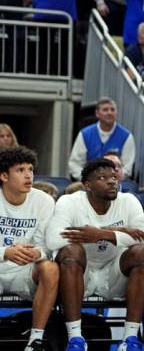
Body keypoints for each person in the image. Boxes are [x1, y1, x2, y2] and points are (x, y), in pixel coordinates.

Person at [46, 159, 144, 351]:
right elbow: (53, 240)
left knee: (142, 253)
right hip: (80, 272)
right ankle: (75, 339)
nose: (112, 181)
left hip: (114, 274)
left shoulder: (128, 200)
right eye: (102, 178)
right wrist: (123, 231)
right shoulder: (69, 201)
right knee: (71, 250)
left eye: (114, 177)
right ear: (88, 185)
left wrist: (103, 234)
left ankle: (130, 339)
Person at [0, 147, 59, 351]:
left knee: (50, 268)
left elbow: (47, 245)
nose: (28, 175)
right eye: (21, 170)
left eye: (31, 169)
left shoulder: (44, 201)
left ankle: (35, 340)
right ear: (4, 175)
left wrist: (38, 253)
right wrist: (5, 252)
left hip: (25, 269)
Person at [68, 98, 135, 180]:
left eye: (112, 110)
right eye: (105, 110)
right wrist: (87, 179)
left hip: (116, 183)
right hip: (88, 183)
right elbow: (75, 164)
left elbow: (127, 168)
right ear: (97, 113)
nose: (109, 113)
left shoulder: (126, 136)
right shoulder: (84, 134)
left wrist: (112, 180)